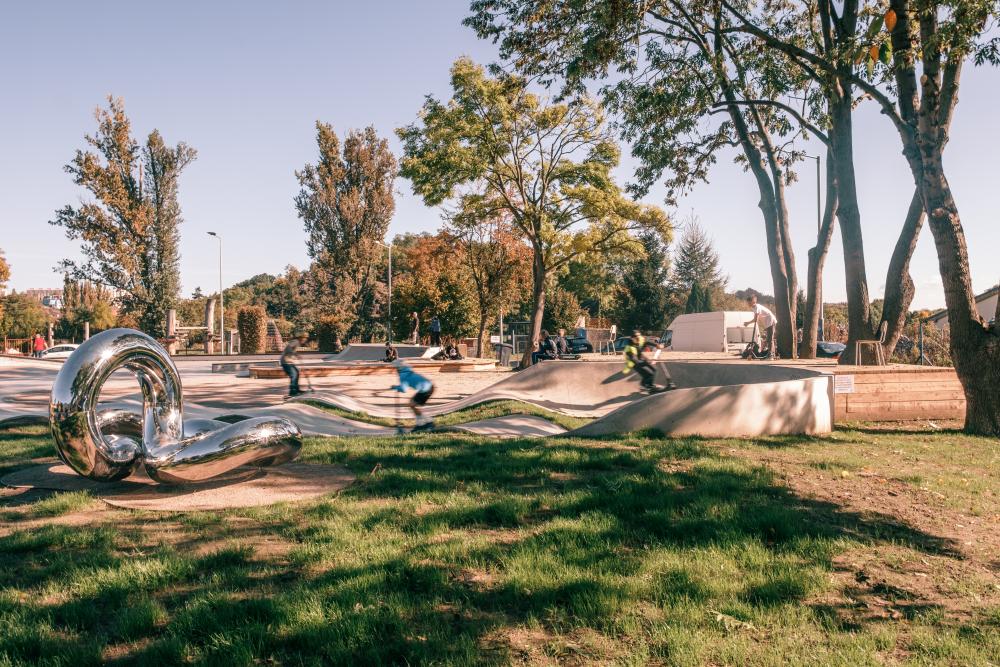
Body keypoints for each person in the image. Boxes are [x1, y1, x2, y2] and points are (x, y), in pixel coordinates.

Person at [391, 359, 435, 431]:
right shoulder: (408, 371)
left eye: (395, 368)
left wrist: (395, 387)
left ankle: (427, 422)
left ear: (398, 368)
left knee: (412, 405)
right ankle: (423, 423)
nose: (395, 370)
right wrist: (397, 387)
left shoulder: (403, 375)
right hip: (429, 386)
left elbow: (404, 389)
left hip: (426, 389)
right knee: (412, 404)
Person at [743, 295, 777, 359]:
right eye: (747, 302)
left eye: (749, 302)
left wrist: (748, 323)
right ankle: (770, 354)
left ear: (753, 302)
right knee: (768, 339)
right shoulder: (754, 308)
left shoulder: (757, 307)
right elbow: (756, 319)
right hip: (767, 323)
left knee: (770, 339)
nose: (748, 304)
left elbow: (756, 319)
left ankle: (771, 355)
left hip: (771, 321)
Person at [281, 333, 308, 397]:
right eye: (305, 338)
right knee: (294, 375)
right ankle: (292, 392)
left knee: (297, 373)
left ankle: (297, 390)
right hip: (285, 361)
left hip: (289, 361)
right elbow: (288, 348)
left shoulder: (297, 343)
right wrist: (296, 354)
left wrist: (295, 355)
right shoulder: (296, 341)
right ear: (301, 338)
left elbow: (290, 350)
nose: (305, 340)